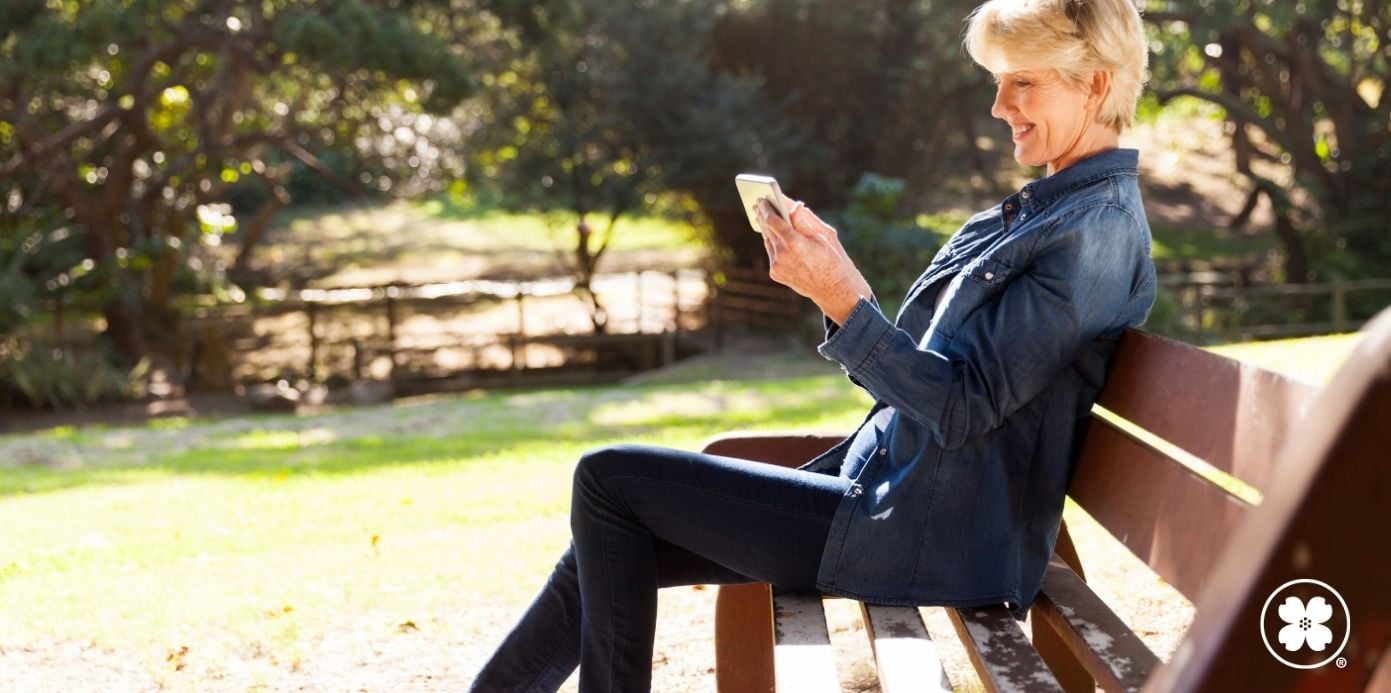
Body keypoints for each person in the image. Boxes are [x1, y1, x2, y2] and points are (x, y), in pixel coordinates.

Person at [470, 0, 1156, 690]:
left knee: (607, 479)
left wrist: (839, 301)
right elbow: (935, 382)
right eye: (997, 82)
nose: (999, 105)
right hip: (894, 502)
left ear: (1094, 84)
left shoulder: (1090, 231)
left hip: (922, 535)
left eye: (1022, 83)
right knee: (611, 530)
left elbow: (959, 408)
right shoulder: (1050, 213)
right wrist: (843, 286)